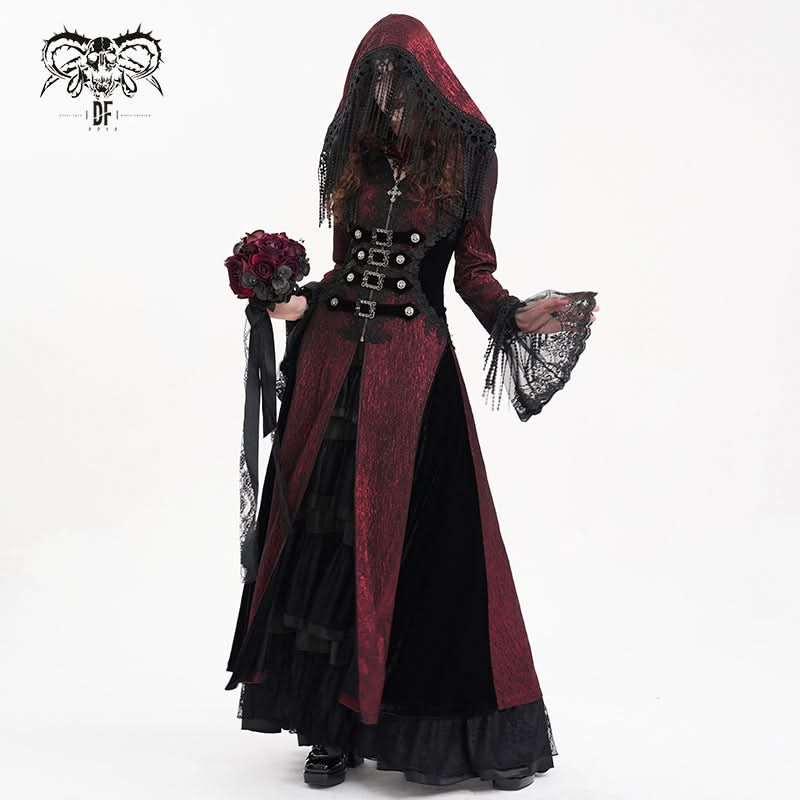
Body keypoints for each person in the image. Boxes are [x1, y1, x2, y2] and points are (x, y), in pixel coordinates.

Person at [224, 12, 599, 791]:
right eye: (376, 79)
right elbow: (342, 271)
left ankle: (432, 731)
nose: (388, 93)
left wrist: (516, 314)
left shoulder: (468, 161)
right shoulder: (355, 160)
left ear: (430, 80)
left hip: (413, 372)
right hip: (335, 367)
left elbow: (472, 274)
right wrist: (292, 302)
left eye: (401, 78)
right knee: (322, 542)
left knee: (432, 547)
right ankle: (328, 731)